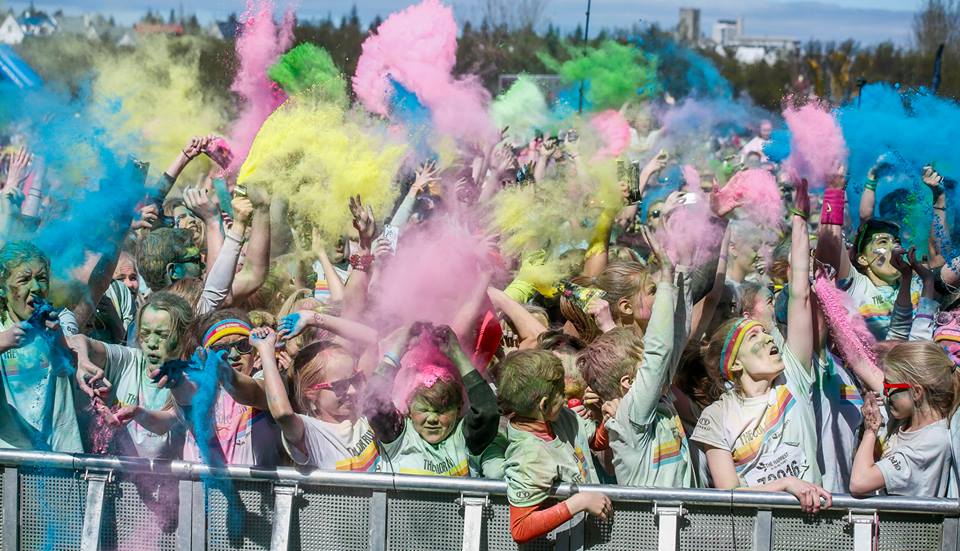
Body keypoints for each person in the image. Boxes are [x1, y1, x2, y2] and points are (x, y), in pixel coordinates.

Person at [690, 184, 833, 513]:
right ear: (734, 364)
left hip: (813, 532)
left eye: (765, 335)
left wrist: (800, 211)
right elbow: (728, 493)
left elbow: (800, 291)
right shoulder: (716, 417)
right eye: (755, 338)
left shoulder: (793, 378)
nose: (769, 339)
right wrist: (786, 486)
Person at [499, 349, 610, 544]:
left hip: (587, 535)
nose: (565, 394)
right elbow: (520, 528)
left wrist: (608, 420)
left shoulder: (561, 416)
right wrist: (579, 502)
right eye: (560, 390)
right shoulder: (529, 455)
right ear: (544, 405)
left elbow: (594, 441)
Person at [66, 291, 193, 458]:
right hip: (126, 480)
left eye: (163, 335)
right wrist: (83, 360)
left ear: (183, 336)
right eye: (146, 334)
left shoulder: (191, 377)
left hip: (174, 481)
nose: (152, 343)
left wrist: (137, 413)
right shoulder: (130, 360)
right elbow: (75, 340)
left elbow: (164, 424)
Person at [365, 323, 500, 477]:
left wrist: (457, 354)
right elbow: (372, 400)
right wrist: (401, 346)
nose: (432, 419)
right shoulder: (399, 436)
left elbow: (487, 411)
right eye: (423, 410)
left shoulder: (463, 437)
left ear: (458, 409)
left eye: (441, 411)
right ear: (409, 408)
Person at [851, 342, 957, 497]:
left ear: (916, 392)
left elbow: (859, 482)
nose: (885, 393)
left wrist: (870, 431)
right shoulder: (906, 417)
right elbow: (862, 365)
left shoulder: (930, 443)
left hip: (908, 521)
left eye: (888, 386)